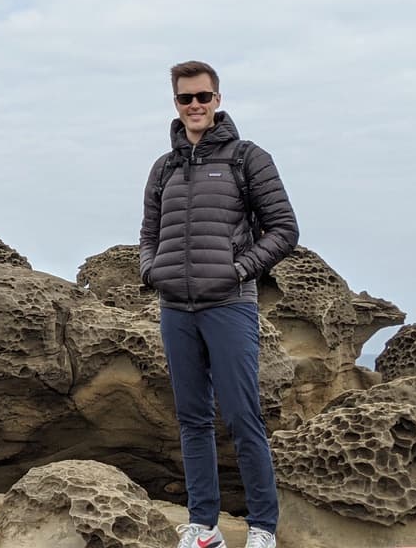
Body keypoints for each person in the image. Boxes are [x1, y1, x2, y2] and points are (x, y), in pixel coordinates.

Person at [140, 60, 299, 548]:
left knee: (242, 416)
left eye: (203, 97)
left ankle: (262, 528)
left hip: (230, 305)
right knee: (191, 419)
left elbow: (284, 229)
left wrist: (237, 270)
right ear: (176, 104)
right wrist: (151, 271)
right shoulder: (163, 167)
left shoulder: (246, 158)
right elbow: (148, 233)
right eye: (186, 99)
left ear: (218, 99)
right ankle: (203, 525)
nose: (195, 107)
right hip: (175, 309)